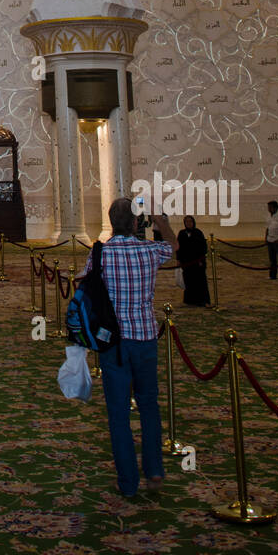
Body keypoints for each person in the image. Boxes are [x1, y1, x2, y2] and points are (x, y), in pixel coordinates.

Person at [83, 196, 176, 499]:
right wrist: (162, 222)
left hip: (114, 344)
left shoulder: (100, 256)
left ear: (111, 222)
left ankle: (128, 482)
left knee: (118, 413)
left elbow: (85, 289)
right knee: (149, 406)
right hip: (146, 338)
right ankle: (155, 472)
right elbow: (175, 249)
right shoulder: (150, 251)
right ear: (136, 223)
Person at [177, 215, 210, 306]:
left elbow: (203, 247)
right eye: (186, 221)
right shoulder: (182, 233)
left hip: (197, 262)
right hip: (186, 263)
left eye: (190, 221)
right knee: (188, 281)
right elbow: (178, 248)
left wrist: (201, 260)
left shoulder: (198, 233)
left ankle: (202, 300)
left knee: (200, 281)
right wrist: (178, 259)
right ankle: (190, 301)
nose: (188, 223)